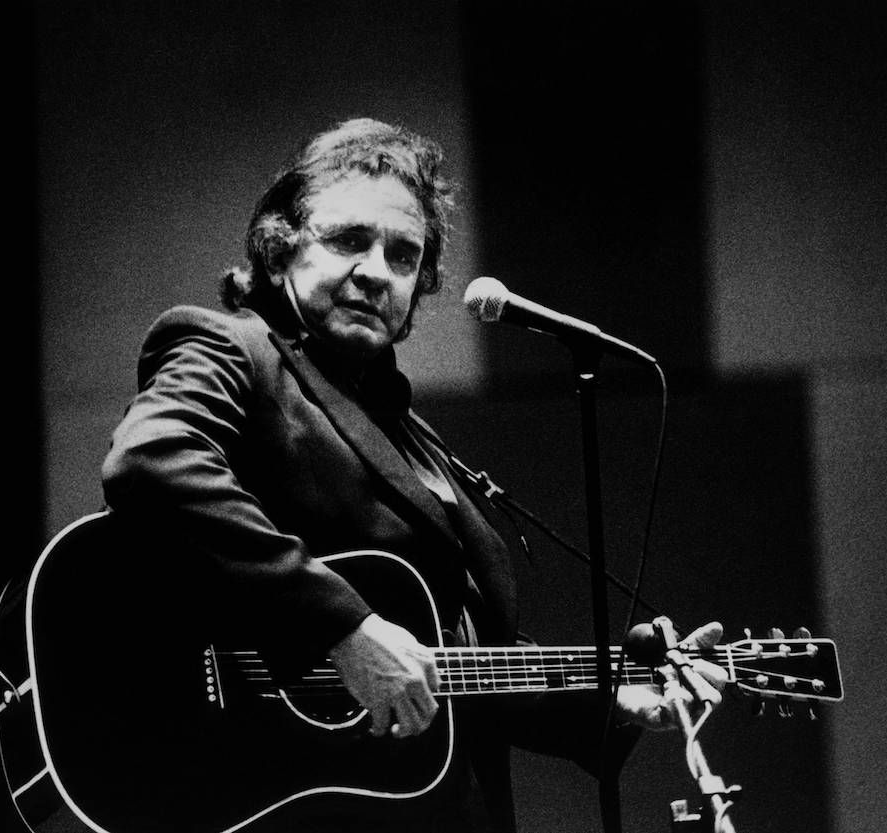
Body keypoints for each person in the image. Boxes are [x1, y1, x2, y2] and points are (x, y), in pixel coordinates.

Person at [101, 117, 725, 832]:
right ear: (279, 251)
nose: (377, 270)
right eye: (347, 240)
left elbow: (455, 659)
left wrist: (614, 698)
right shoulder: (232, 348)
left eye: (404, 255)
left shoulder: (409, 433)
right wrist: (344, 625)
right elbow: (150, 461)